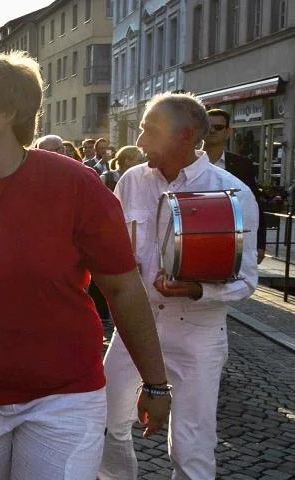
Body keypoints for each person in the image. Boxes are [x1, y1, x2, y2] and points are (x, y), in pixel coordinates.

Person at [0, 52, 170, 479]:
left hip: (64, 396)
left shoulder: (76, 185)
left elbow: (123, 288)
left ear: (10, 110)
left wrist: (153, 381)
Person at [100, 93, 260, 480]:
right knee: (106, 423)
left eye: (149, 131)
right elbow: (115, 247)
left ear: (185, 135)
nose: (139, 142)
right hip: (135, 326)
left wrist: (198, 291)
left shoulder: (232, 191)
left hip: (197, 333)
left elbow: (248, 281)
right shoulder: (132, 181)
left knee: (191, 445)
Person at [205, 108, 266, 264]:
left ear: (228, 132)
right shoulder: (189, 161)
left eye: (218, 127)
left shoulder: (242, 165)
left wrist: (259, 243)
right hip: (194, 234)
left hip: (231, 236)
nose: (212, 130)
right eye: (207, 126)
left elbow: (255, 205)